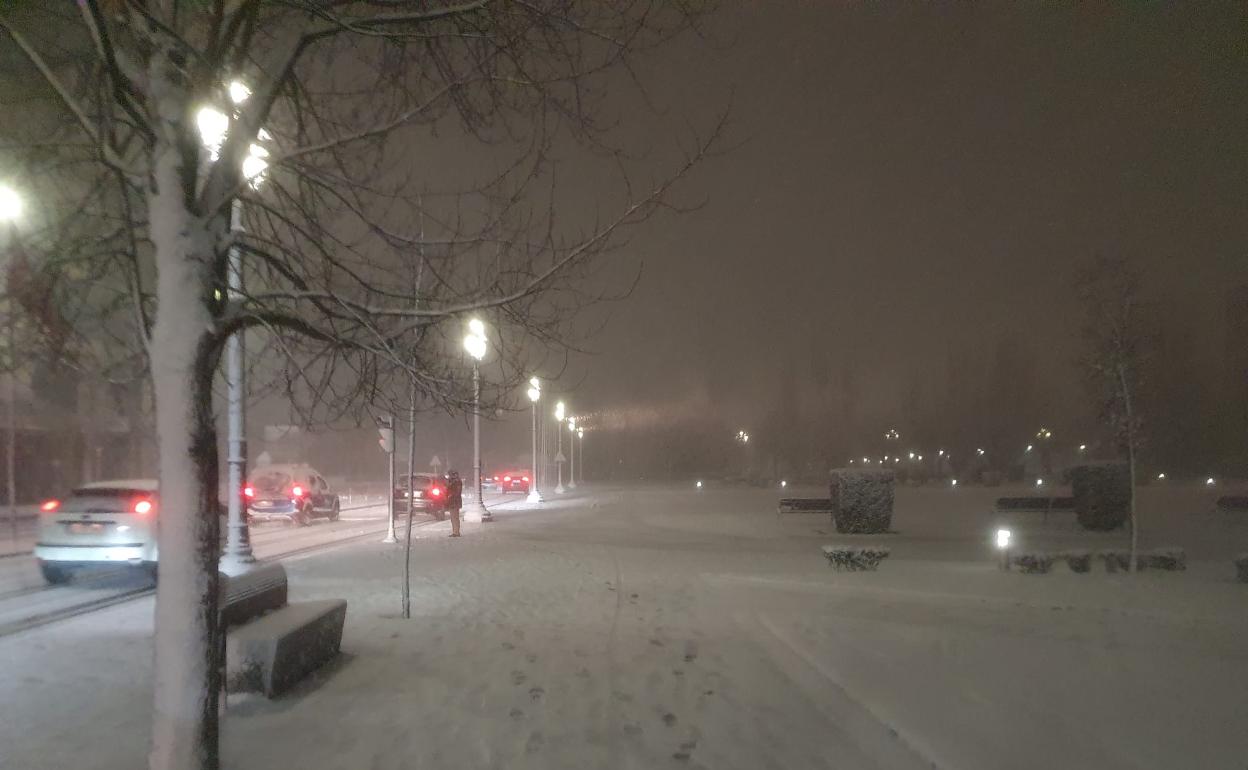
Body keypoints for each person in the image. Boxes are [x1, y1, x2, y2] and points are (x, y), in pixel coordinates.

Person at [446, 470, 463, 537]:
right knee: (453, 518)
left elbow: (457, 492)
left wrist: (451, 495)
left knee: (455, 517)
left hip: (454, 501)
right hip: (453, 501)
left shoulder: (456, 482)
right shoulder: (454, 481)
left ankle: (456, 532)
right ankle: (455, 531)